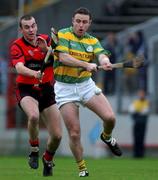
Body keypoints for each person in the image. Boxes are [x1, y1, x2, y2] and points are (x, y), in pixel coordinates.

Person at [53, 7, 122, 177]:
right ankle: (82, 168)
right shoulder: (63, 34)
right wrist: (85, 64)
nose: (81, 25)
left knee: (110, 118)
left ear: (89, 23)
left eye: (84, 22)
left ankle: (106, 136)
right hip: (65, 88)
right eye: (78, 21)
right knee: (75, 133)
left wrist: (105, 61)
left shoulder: (93, 41)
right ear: (72, 21)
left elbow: (101, 55)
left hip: (85, 85)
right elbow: (63, 58)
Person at [10, 15, 62, 176]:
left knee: (57, 136)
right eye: (27, 27)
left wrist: (47, 50)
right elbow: (19, 67)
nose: (31, 30)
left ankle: (47, 159)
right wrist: (34, 73)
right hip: (26, 88)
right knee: (33, 116)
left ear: (37, 26)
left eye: (33, 26)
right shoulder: (16, 45)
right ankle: (34, 150)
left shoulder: (46, 40)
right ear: (21, 30)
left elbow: (61, 59)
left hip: (46, 89)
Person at [128, 89, 150, 158]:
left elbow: (145, 111)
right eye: (140, 94)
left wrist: (137, 111)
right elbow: (131, 110)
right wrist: (139, 111)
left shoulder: (146, 102)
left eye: (142, 94)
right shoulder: (136, 102)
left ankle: (141, 154)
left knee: (141, 139)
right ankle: (136, 154)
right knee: (136, 139)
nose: (141, 95)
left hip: (143, 124)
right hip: (136, 123)